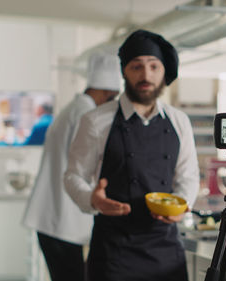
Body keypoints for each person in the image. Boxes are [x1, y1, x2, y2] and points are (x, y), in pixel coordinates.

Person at [64, 29, 199, 281]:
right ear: (124, 71)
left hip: (166, 250)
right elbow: (73, 176)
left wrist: (182, 206)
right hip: (114, 252)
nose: (145, 75)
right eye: (136, 66)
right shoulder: (95, 120)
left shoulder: (179, 121)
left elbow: (188, 176)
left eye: (153, 66)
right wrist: (93, 200)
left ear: (163, 72)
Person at [22, 52, 121, 281]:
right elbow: (88, 167)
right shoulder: (85, 115)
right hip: (61, 221)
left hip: (55, 219)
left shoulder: (72, 110)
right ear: (107, 93)